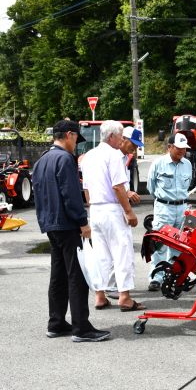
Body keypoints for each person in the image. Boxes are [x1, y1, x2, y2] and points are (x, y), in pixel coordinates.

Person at [32, 119, 110, 342]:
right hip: (68, 224)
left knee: (58, 276)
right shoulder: (65, 159)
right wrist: (82, 222)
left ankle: (56, 323)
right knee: (77, 276)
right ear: (69, 135)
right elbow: (71, 194)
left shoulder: (42, 160)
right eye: (76, 138)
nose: (76, 144)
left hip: (51, 224)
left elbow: (39, 195)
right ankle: (81, 328)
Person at [81, 120, 145, 312]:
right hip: (111, 209)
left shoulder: (88, 156)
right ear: (111, 136)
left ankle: (99, 295)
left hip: (96, 209)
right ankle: (124, 297)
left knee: (101, 255)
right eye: (120, 137)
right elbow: (118, 187)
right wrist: (128, 212)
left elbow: (86, 189)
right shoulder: (113, 155)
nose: (121, 140)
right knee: (122, 253)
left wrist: (92, 207)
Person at [146, 133, 192, 291]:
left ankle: (174, 274)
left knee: (179, 244)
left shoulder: (187, 164)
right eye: (178, 147)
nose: (182, 151)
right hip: (164, 208)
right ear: (169, 147)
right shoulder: (158, 164)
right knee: (160, 244)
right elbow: (151, 188)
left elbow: (187, 185)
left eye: (184, 148)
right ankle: (156, 277)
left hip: (183, 209)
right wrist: (163, 202)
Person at [104, 127, 144, 300]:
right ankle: (112, 287)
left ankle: (111, 286)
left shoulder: (123, 157)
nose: (134, 148)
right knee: (119, 249)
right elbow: (115, 185)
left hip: (113, 207)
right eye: (132, 144)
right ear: (123, 139)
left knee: (116, 249)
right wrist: (127, 200)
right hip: (113, 207)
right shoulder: (114, 156)